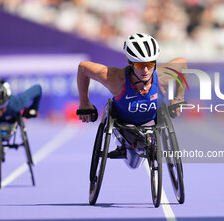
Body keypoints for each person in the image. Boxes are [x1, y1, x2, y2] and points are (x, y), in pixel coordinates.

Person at [77, 33, 187, 168]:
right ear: (130, 62)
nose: (146, 70)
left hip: (152, 123)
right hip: (124, 125)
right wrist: (84, 103)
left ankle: (144, 143)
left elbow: (182, 63)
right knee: (133, 163)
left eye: (150, 64)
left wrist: (178, 98)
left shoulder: (162, 76)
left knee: (144, 151)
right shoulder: (114, 79)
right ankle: (130, 146)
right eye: (141, 65)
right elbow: (83, 68)